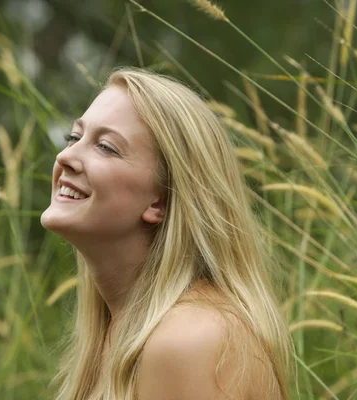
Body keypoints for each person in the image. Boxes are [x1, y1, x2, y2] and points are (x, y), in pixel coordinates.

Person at [40, 67, 293, 400]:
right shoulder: (121, 332)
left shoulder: (187, 339)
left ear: (161, 200)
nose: (66, 156)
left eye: (105, 147)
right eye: (74, 138)